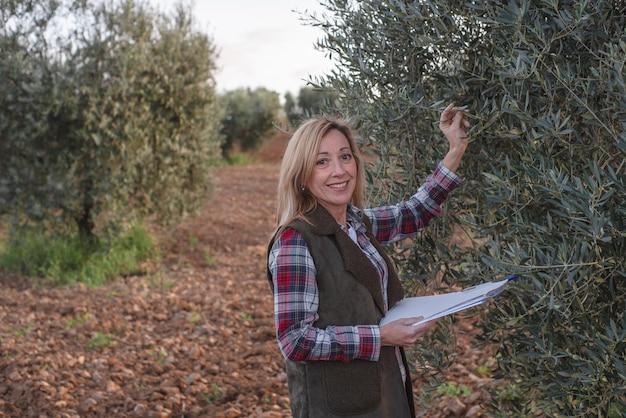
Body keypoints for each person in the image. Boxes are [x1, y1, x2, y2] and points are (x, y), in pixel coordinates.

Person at [266, 103, 470, 418]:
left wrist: (455, 149)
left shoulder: (356, 223)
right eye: (322, 161)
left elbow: (413, 213)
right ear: (302, 175)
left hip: (383, 394)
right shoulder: (296, 241)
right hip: (338, 407)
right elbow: (295, 340)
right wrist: (380, 336)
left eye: (345, 156)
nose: (339, 170)